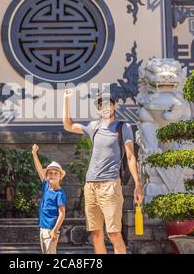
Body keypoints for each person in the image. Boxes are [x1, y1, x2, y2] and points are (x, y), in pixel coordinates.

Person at [62, 90, 144, 254]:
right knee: (96, 234)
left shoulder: (123, 127)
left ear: (114, 106)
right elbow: (68, 126)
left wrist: (138, 184)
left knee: (113, 233)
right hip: (91, 186)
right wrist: (66, 101)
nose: (105, 107)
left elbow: (130, 157)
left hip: (110, 186)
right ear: (98, 110)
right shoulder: (94, 127)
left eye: (108, 104)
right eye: (101, 105)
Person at [32, 144, 67, 254]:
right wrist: (34, 154)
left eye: (56, 173)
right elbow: (39, 169)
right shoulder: (46, 186)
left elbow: (62, 214)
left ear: (60, 177)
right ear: (46, 176)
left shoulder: (59, 193)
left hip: (51, 230)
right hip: (43, 228)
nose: (52, 175)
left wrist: (54, 230)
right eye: (50, 173)